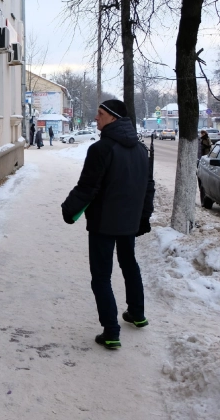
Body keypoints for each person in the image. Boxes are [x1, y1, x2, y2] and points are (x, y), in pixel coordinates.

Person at [60, 99, 155, 350]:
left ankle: (111, 331)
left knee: (101, 277)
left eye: (100, 114)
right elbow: (148, 188)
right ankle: (137, 313)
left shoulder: (101, 149)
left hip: (103, 223)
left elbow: (87, 187)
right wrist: (143, 217)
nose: (96, 117)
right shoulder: (141, 150)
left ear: (113, 118)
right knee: (129, 265)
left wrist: (69, 210)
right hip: (128, 223)